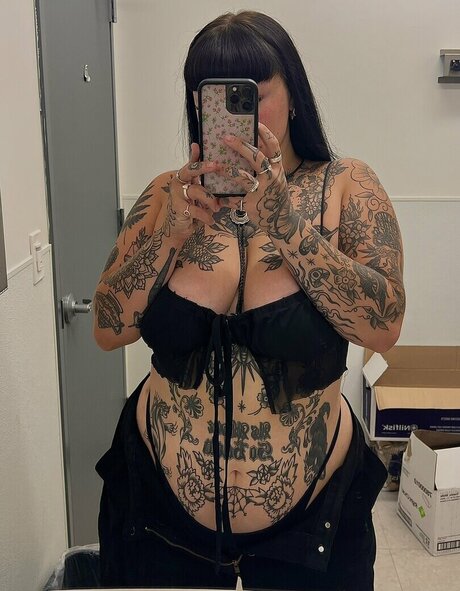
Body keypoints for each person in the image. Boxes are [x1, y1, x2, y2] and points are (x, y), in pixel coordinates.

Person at [93, 10, 405, 591]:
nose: (238, 119)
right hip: (158, 514)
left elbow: (383, 326)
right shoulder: (167, 195)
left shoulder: (344, 187)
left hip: (311, 522)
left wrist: (287, 226)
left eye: (254, 96)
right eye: (215, 99)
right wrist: (170, 236)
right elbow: (108, 328)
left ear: (293, 95)